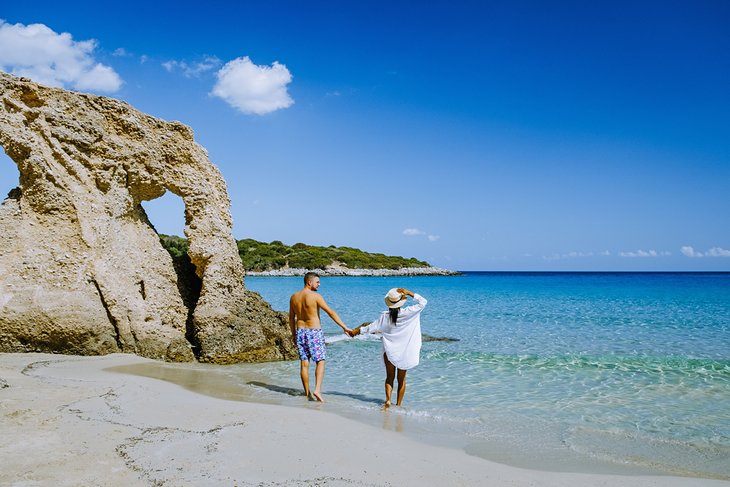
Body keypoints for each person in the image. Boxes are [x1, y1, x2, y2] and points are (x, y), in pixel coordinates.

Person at [351, 288, 427, 408]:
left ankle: (387, 400)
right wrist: (409, 293)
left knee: (389, 377)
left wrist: (355, 332)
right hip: (405, 353)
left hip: (389, 351)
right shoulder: (410, 312)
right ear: (401, 301)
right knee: (401, 380)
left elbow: (371, 327)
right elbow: (423, 302)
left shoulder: (385, 316)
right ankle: (398, 405)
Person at [289, 272, 351, 402]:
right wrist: (344, 327)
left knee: (304, 363)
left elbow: (291, 318)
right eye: (317, 282)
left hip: (300, 332)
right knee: (320, 361)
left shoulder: (294, 297)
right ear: (309, 282)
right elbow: (330, 312)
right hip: (314, 332)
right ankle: (317, 390)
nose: (319, 284)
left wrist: (294, 334)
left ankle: (307, 394)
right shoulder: (315, 296)